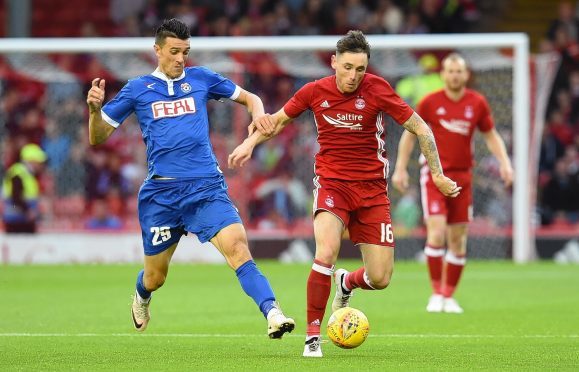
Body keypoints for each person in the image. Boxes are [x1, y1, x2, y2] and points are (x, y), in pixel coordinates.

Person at [228, 30, 460, 357]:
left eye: (360, 69)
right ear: (334, 62)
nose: (353, 76)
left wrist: (436, 173)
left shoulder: (378, 89)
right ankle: (312, 338)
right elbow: (277, 122)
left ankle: (346, 283)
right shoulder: (314, 91)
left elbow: (420, 127)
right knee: (326, 252)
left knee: (380, 278)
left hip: (372, 191)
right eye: (348, 67)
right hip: (332, 184)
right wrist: (249, 143)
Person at [85, 18, 295, 338]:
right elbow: (97, 137)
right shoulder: (137, 89)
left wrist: (259, 115)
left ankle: (273, 312)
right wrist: (93, 112)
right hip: (161, 194)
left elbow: (251, 98)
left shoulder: (201, 78)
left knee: (238, 248)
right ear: (157, 51)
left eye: (185, 51)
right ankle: (142, 295)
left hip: (205, 188)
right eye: (174, 51)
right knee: (156, 277)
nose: (181, 59)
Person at [392, 53, 514, 314]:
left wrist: (505, 162)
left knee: (458, 240)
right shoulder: (429, 103)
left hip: (463, 177)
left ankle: (449, 295)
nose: (455, 75)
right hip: (434, 176)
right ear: (443, 75)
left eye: (459, 71)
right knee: (436, 233)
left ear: (466, 74)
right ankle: (436, 293)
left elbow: (490, 135)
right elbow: (410, 135)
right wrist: (401, 167)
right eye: (450, 71)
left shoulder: (477, 103)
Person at [2, 143, 47, 233]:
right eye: (39, 162)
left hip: (23, 222)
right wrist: (28, 211)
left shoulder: (28, 174)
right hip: (16, 223)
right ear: (31, 161)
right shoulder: (18, 173)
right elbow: (15, 196)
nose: (41, 165)